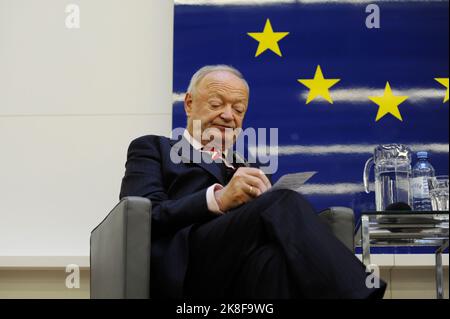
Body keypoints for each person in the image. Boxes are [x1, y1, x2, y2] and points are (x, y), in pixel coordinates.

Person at [119, 65, 386, 299]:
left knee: (274, 262)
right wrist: (218, 199)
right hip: (189, 265)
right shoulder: (154, 148)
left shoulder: (252, 169)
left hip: (243, 270)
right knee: (282, 200)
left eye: (238, 109)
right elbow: (147, 215)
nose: (228, 115)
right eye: (216, 104)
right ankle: (359, 293)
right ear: (189, 103)